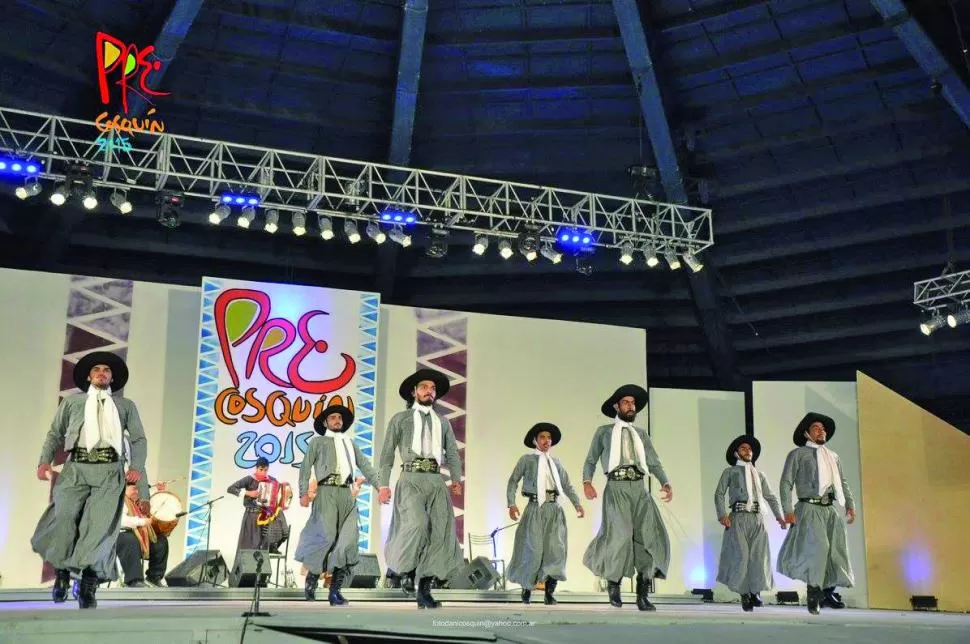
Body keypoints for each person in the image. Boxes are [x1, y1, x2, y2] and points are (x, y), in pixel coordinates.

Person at [31, 351, 148, 609]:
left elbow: (139, 439)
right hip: (76, 467)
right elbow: (54, 434)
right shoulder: (73, 403)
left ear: (112, 377)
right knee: (64, 519)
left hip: (109, 470)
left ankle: (88, 584)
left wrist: (137, 466)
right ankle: (62, 572)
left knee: (99, 529)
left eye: (106, 370)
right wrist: (44, 461)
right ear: (88, 375)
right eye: (97, 369)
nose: (102, 373)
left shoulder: (125, 406)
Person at [378, 368, 464, 609]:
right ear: (414, 392)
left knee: (439, 532)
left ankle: (424, 589)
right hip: (411, 478)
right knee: (416, 524)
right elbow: (386, 455)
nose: (430, 391)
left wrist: (456, 478)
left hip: (436, 481)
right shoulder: (400, 419)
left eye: (433, 388)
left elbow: (453, 454)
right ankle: (401, 569)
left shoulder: (442, 422)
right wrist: (383, 485)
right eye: (425, 387)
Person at [582, 384, 672, 611]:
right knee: (619, 537)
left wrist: (665, 482)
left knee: (648, 537)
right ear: (616, 406)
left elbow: (653, 461)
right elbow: (591, 459)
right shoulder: (604, 432)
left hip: (640, 489)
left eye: (633, 403)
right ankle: (614, 585)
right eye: (626, 402)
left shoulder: (641, 434)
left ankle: (642, 594)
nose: (631, 406)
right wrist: (587, 482)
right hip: (616, 487)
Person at [295, 402, 382, 605]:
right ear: (326, 422)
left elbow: (366, 467)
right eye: (333, 417)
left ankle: (335, 590)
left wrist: (381, 486)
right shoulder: (318, 442)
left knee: (348, 541)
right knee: (325, 538)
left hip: (346, 494)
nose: (337, 421)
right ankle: (312, 580)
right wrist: (303, 493)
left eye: (340, 418)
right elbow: (305, 468)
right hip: (326, 493)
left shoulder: (350, 443)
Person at [777, 412, 856, 614]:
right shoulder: (797, 454)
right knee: (819, 548)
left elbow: (842, 481)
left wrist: (849, 503)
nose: (822, 431)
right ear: (807, 433)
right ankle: (813, 593)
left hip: (830, 509)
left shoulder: (833, 456)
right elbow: (786, 483)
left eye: (824, 428)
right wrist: (787, 510)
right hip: (809, 508)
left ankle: (827, 592)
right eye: (816, 428)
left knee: (835, 551)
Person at [506, 422, 584, 605]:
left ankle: (550, 593)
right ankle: (527, 588)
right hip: (535, 509)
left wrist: (577, 504)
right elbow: (513, 481)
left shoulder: (556, 462)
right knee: (532, 550)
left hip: (554, 509)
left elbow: (566, 485)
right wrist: (511, 503)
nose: (546, 441)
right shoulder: (526, 460)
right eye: (542, 437)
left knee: (555, 551)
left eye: (549, 438)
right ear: (535, 440)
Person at [714, 435, 786, 611]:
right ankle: (744, 593)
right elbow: (719, 494)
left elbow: (770, 496)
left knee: (758, 557)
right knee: (742, 555)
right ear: (736, 452)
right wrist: (722, 514)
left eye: (750, 449)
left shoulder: (759, 474)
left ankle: (755, 592)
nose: (748, 451)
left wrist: (779, 516)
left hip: (757, 518)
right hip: (738, 517)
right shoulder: (730, 472)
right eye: (744, 448)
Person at [227, 457, 289, 554]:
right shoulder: (249, 479)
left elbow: (279, 494)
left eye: (266, 470)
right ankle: (246, 568)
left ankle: (271, 550)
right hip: (251, 518)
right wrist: (248, 493)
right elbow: (230, 488)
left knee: (264, 546)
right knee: (250, 546)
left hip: (266, 517)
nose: (263, 472)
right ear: (256, 468)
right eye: (261, 469)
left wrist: (286, 495)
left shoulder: (272, 480)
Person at [116, 480, 169, 587]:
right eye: (134, 489)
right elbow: (120, 521)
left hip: (139, 536)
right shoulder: (118, 500)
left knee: (160, 541)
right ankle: (134, 580)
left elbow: (156, 508)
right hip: (121, 536)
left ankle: (154, 577)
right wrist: (142, 522)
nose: (137, 492)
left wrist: (160, 493)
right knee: (129, 539)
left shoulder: (138, 503)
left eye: (138, 489)